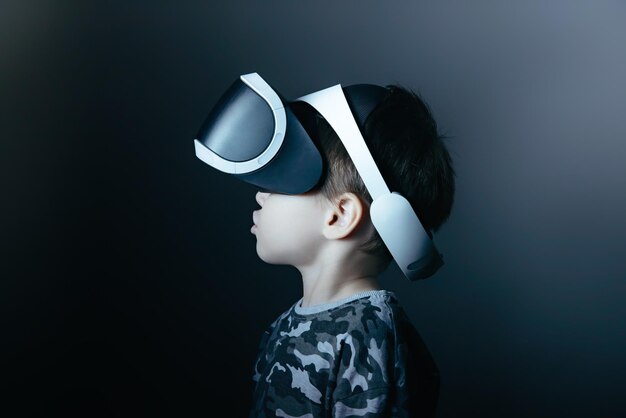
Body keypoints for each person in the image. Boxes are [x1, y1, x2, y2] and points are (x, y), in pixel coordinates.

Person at [248, 84, 456, 417]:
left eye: (284, 179)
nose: (261, 194)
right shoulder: (283, 325)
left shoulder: (366, 335)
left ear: (340, 215)